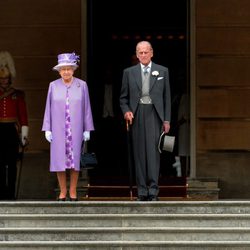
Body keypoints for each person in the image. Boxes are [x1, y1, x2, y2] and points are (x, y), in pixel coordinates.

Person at [120, 41, 171, 201]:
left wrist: (167, 120)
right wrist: (126, 110)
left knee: (154, 153)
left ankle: (153, 190)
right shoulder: (129, 72)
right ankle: (141, 190)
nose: (143, 55)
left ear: (152, 53)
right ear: (136, 54)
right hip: (137, 114)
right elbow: (123, 98)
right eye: (140, 53)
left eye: (146, 52)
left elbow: (166, 98)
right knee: (139, 153)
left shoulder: (163, 70)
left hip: (155, 115)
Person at [42, 52, 94, 201]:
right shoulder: (53, 85)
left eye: (69, 68)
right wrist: (47, 128)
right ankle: (62, 192)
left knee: (74, 161)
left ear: (73, 69)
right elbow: (48, 107)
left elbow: (87, 108)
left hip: (75, 129)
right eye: (63, 69)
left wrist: (87, 128)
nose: (66, 72)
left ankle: (73, 191)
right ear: (59, 71)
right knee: (59, 161)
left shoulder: (81, 85)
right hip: (59, 129)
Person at [0, 51, 29, 200]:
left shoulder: (17, 94)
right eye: (2, 79)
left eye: (6, 79)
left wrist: (24, 135)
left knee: (11, 165)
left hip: (11, 131)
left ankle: (10, 196)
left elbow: (23, 116)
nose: (4, 81)